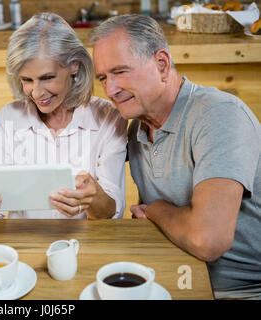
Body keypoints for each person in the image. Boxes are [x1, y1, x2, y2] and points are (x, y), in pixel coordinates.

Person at [90, 14, 261, 299]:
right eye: (103, 78)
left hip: (243, 290)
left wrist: (156, 210)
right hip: (177, 277)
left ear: (162, 64)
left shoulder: (218, 114)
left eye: (120, 72)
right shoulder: (135, 131)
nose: (111, 89)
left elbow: (207, 240)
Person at [0, 13, 127, 223]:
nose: (37, 93)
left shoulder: (108, 118)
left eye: (47, 78)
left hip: (86, 245)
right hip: (25, 244)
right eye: (27, 80)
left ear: (74, 66)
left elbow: (111, 213)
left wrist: (92, 197)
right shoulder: (10, 117)